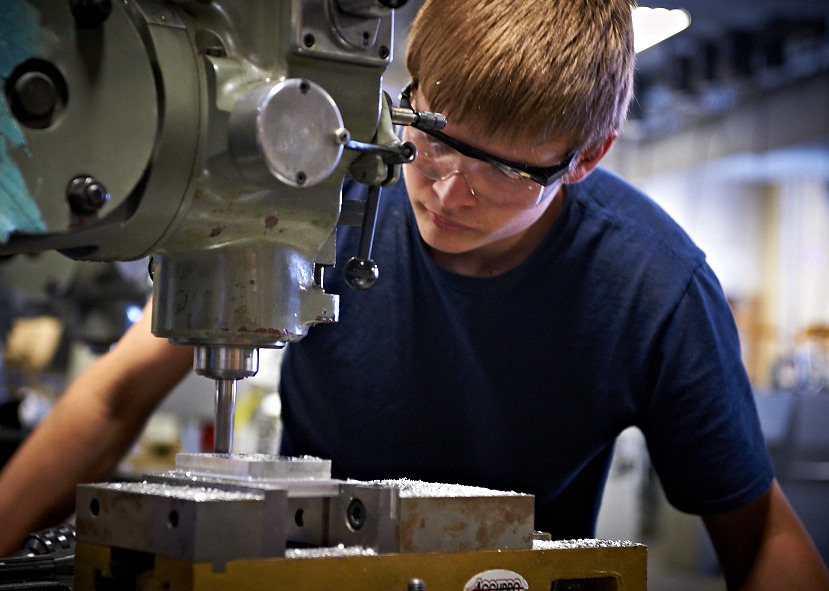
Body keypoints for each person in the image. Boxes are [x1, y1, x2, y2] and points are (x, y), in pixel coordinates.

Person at [1, 0, 828, 588]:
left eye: (503, 170)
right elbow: (114, 397)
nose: (446, 192)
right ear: (408, 88)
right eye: (429, 137)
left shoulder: (655, 286)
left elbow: (757, 536)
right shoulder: (318, 193)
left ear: (587, 155)